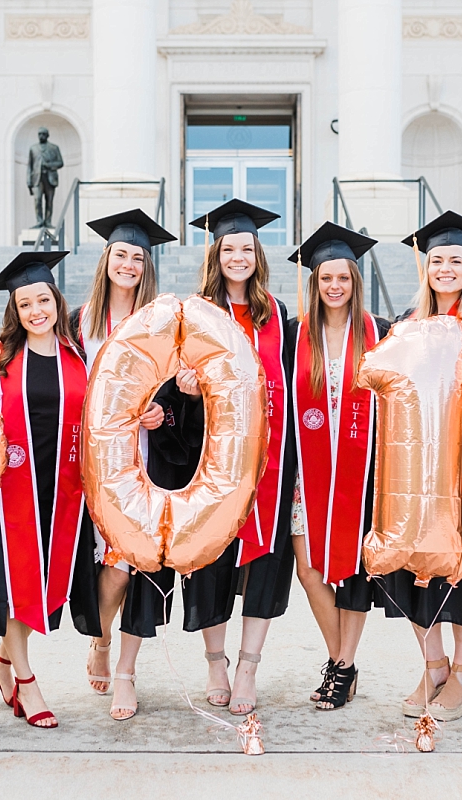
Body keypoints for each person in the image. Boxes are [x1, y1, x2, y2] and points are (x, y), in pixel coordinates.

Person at [378, 211, 462, 722]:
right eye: (436, 260)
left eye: (455, 260)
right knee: (410, 565)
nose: (445, 268)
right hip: (409, 470)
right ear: (425, 267)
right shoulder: (405, 324)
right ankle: (432, 665)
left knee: (461, 569)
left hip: (459, 473)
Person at [163, 199, 296, 716]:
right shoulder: (195, 314)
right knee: (213, 560)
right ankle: (216, 662)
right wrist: (186, 390)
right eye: (228, 248)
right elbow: (172, 389)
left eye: (246, 248)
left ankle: (247, 667)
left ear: (258, 256)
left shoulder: (278, 316)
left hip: (268, 461)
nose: (237, 256)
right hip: (211, 458)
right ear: (215, 255)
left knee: (263, 562)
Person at [68, 210, 187, 722]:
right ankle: (99, 636)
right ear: (106, 259)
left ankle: (125, 671)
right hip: (90, 464)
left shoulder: (162, 325)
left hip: (145, 459)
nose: (130, 264)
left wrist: (165, 414)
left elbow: (183, 395)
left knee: (133, 563)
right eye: (122, 254)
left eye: (139, 257)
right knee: (105, 569)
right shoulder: (77, 324)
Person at [0, 251, 100, 729]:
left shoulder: (78, 354)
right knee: (17, 579)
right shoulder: (1, 359)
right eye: (25, 305)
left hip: (64, 487)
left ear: (55, 300)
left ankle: (2, 662)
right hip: (13, 491)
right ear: (15, 312)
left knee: (47, 586)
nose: (36, 311)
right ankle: (26, 683)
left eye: (42, 300)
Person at [285, 222, 390, 710]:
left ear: (355, 281)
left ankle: (341, 667)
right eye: (326, 278)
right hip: (308, 475)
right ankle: (340, 661)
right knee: (309, 569)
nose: (334, 286)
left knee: (352, 575)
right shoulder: (294, 337)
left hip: (360, 474)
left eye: (343, 278)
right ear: (314, 282)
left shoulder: (378, 334)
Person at [27, 126, 64, 228]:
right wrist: (28, 182)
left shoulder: (54, 148)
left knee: (49, 201)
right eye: (39, 134)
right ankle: (39, 221)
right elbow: (29, 166)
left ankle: (48, 221)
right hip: (37, 179)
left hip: (50, 178)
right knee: (37, 200)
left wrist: (50, 165)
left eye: (43, 134)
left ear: (47, 135)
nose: (41, 136)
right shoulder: (33, 148)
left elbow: (60, 162)